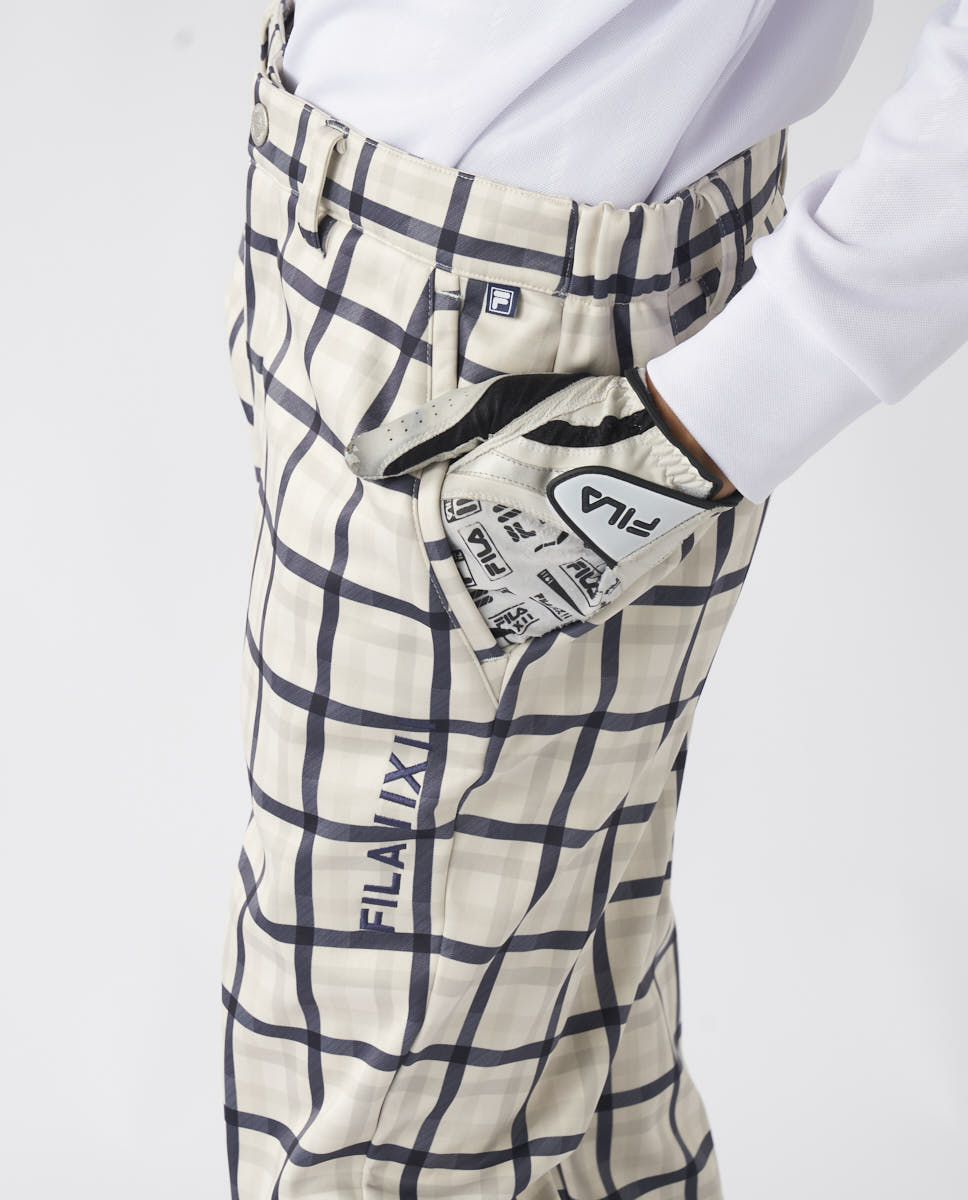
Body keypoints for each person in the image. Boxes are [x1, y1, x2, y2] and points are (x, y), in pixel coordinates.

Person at [220, 2, 968, 1196]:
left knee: (370, 1133)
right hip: (346, 220)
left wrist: (732, 402)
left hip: (505, 323)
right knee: (585, 1085)